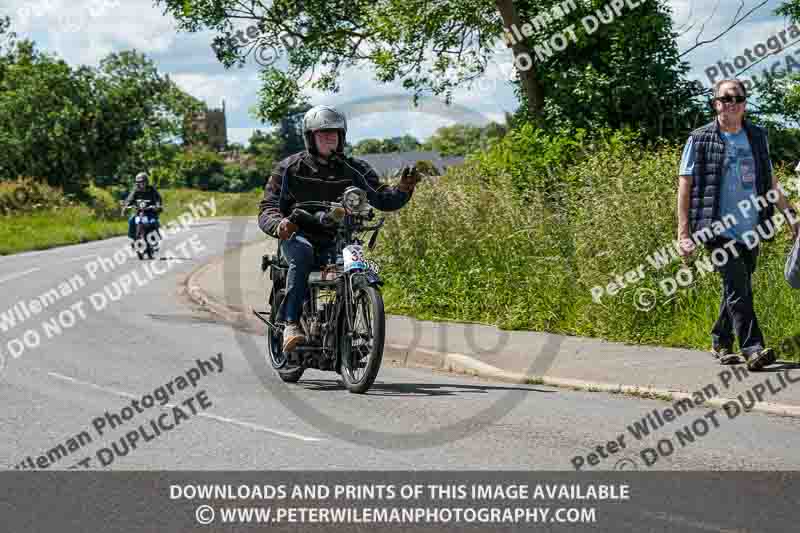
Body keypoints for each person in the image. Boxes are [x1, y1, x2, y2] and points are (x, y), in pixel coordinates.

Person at [258, 105, 421, 353]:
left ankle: (343, 327)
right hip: (298, 235)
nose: (330, 138)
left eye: (334, 133)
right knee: (302, 254)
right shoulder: (290, 168)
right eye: (323, 134)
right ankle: (291, 323)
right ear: (310, 138)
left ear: (342, 137)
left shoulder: (355, 168)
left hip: (338, 238)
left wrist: (403, 188)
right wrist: (279, 224)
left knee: (357, 265)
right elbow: (268, 207)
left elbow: (382, 199)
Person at [676, 79, 799, 370]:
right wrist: (683, 234)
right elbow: (685, 185)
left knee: (737, 285)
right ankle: (753, 349)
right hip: (715, 227)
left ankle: (720, 340)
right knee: (739, 285)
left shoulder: (757, 136)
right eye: (726, 98)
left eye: (738, 98)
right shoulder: (700, 138)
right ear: (715, 103)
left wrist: (790, 215)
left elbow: (769, 179)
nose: (732, 103)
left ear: (745, 104)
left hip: (752, 226)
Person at [123, 172, 163, 241]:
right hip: (139, 212)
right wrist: (126, 206)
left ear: (146, 181)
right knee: (131, 220)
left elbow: (158, 198)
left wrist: (157, 206)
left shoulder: (151, 189)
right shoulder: (135, 190)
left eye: (143, 181)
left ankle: (156, 236)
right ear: (137, 183)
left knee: (153, 221)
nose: (141, 183)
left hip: (151, 211)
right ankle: (133, 238)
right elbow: (130, 199)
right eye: (139, 182)